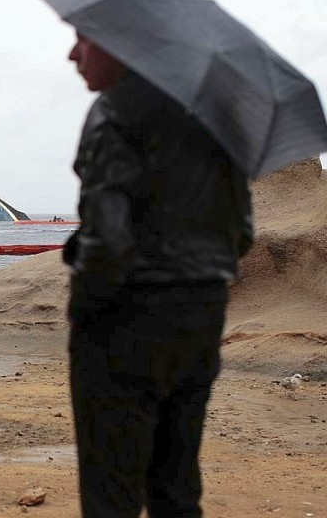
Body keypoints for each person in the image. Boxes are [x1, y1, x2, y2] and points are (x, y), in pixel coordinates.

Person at [63, 33, 253, 517]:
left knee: (112, 491)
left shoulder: (113, 112)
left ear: (121, 47)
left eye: (83, 42)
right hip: (201, 318)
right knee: (177, 486)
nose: (72, 55)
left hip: (125, 321)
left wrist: (85, 314)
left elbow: (107, 241)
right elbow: (243, 234)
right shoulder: (216, 117)